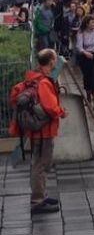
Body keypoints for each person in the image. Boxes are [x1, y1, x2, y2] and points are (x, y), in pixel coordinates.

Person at [9, 49, 67, 213]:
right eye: (55, 59)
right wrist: (61, 112)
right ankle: (38, 201)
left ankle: (41, 194)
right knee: (41, 164)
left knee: (39, 163)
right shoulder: (44, 82)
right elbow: (50, 106)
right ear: (51, 62)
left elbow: (14, 95)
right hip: (44, 131)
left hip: (36, 130)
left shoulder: (32, 77)